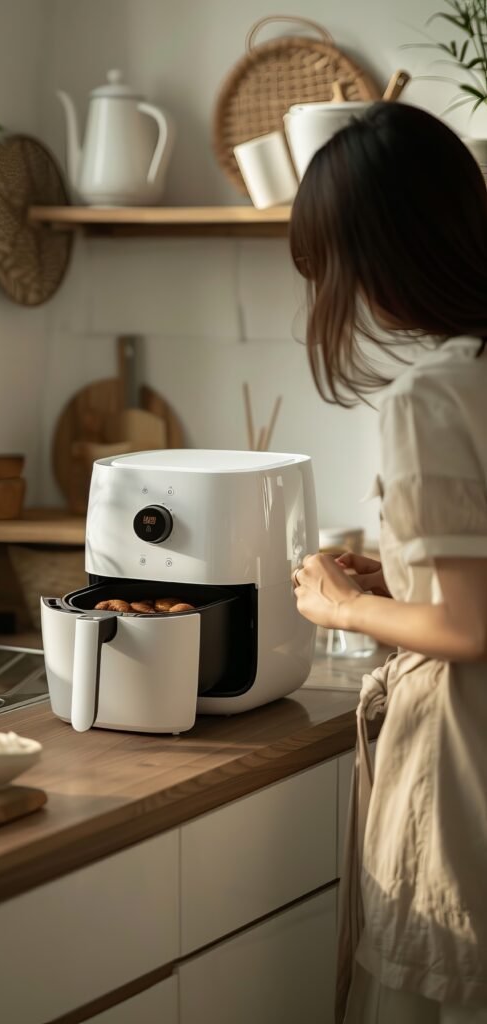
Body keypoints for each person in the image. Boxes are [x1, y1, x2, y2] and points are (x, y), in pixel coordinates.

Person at [289, 101, 487, 1023]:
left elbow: (462, 626)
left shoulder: (430, 394)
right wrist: (396, 582)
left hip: (462, 764)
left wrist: (339, 606)